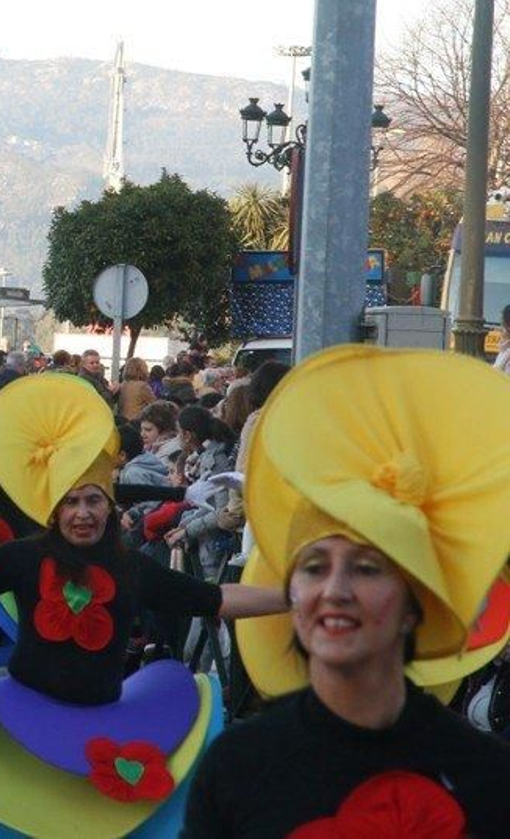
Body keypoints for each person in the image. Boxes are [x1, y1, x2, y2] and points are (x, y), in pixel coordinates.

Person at [0, 373, 285, 836]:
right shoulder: (25, 557)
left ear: (110, 508)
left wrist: (294, 598)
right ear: (55, 511)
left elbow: (217, 597)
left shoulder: (133, 569)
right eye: (72, 502)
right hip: (23, 718)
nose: (82, 513)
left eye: (93, 501)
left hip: (104, 723)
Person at [186, 346, 510, 836]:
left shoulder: (485, 776)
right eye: (314, 568)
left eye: (367, 569)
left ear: (413, 602)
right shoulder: (237, 765)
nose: (335, 590)